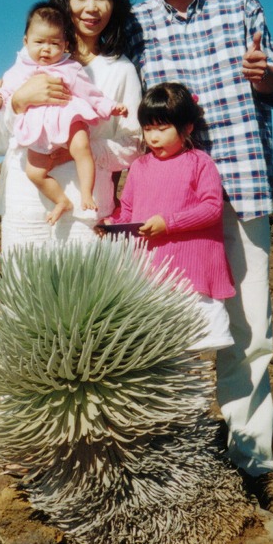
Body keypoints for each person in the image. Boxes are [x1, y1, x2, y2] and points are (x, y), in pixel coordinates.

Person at [127, 0, 273, 478]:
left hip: (240, 183)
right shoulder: (136, 23)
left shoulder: (238, 0)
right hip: (170, 205)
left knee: (249, 327)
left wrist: (266, 75)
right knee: (171, 328)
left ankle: (250, 454)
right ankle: (181, 451)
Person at [0, 0, 142, 251]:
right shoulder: (28, 61)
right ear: (66, 0)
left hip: (84, 209)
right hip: (25, 202)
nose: (92, 8)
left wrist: (75, 150)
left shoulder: (121, 69)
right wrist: (17, 102)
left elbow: (133, 145)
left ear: (115, 4)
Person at [104, 82, 235, 352]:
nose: (153, 138)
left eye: (162, 129)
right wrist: (112, 226)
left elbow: (212, 208)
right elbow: (127, 211)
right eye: (148, 129)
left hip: (192, 275)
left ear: (187, 127)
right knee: (159, 353)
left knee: (196, 351)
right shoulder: (139, 167)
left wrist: (168, 223)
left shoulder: (200, 163)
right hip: (149, 274)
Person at [0, 1, 127, 225]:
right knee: (34, 172)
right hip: (39, 129)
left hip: (68, 118)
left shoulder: (70, 68)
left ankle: (86, 193)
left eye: (54, 43)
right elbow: (8, 94)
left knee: (82, 148)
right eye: (39, 42)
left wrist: (111, 106)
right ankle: (61, 200)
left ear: (65, 45)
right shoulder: (18, 70)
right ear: (25, 42)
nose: (46, 49)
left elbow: (91, 93)